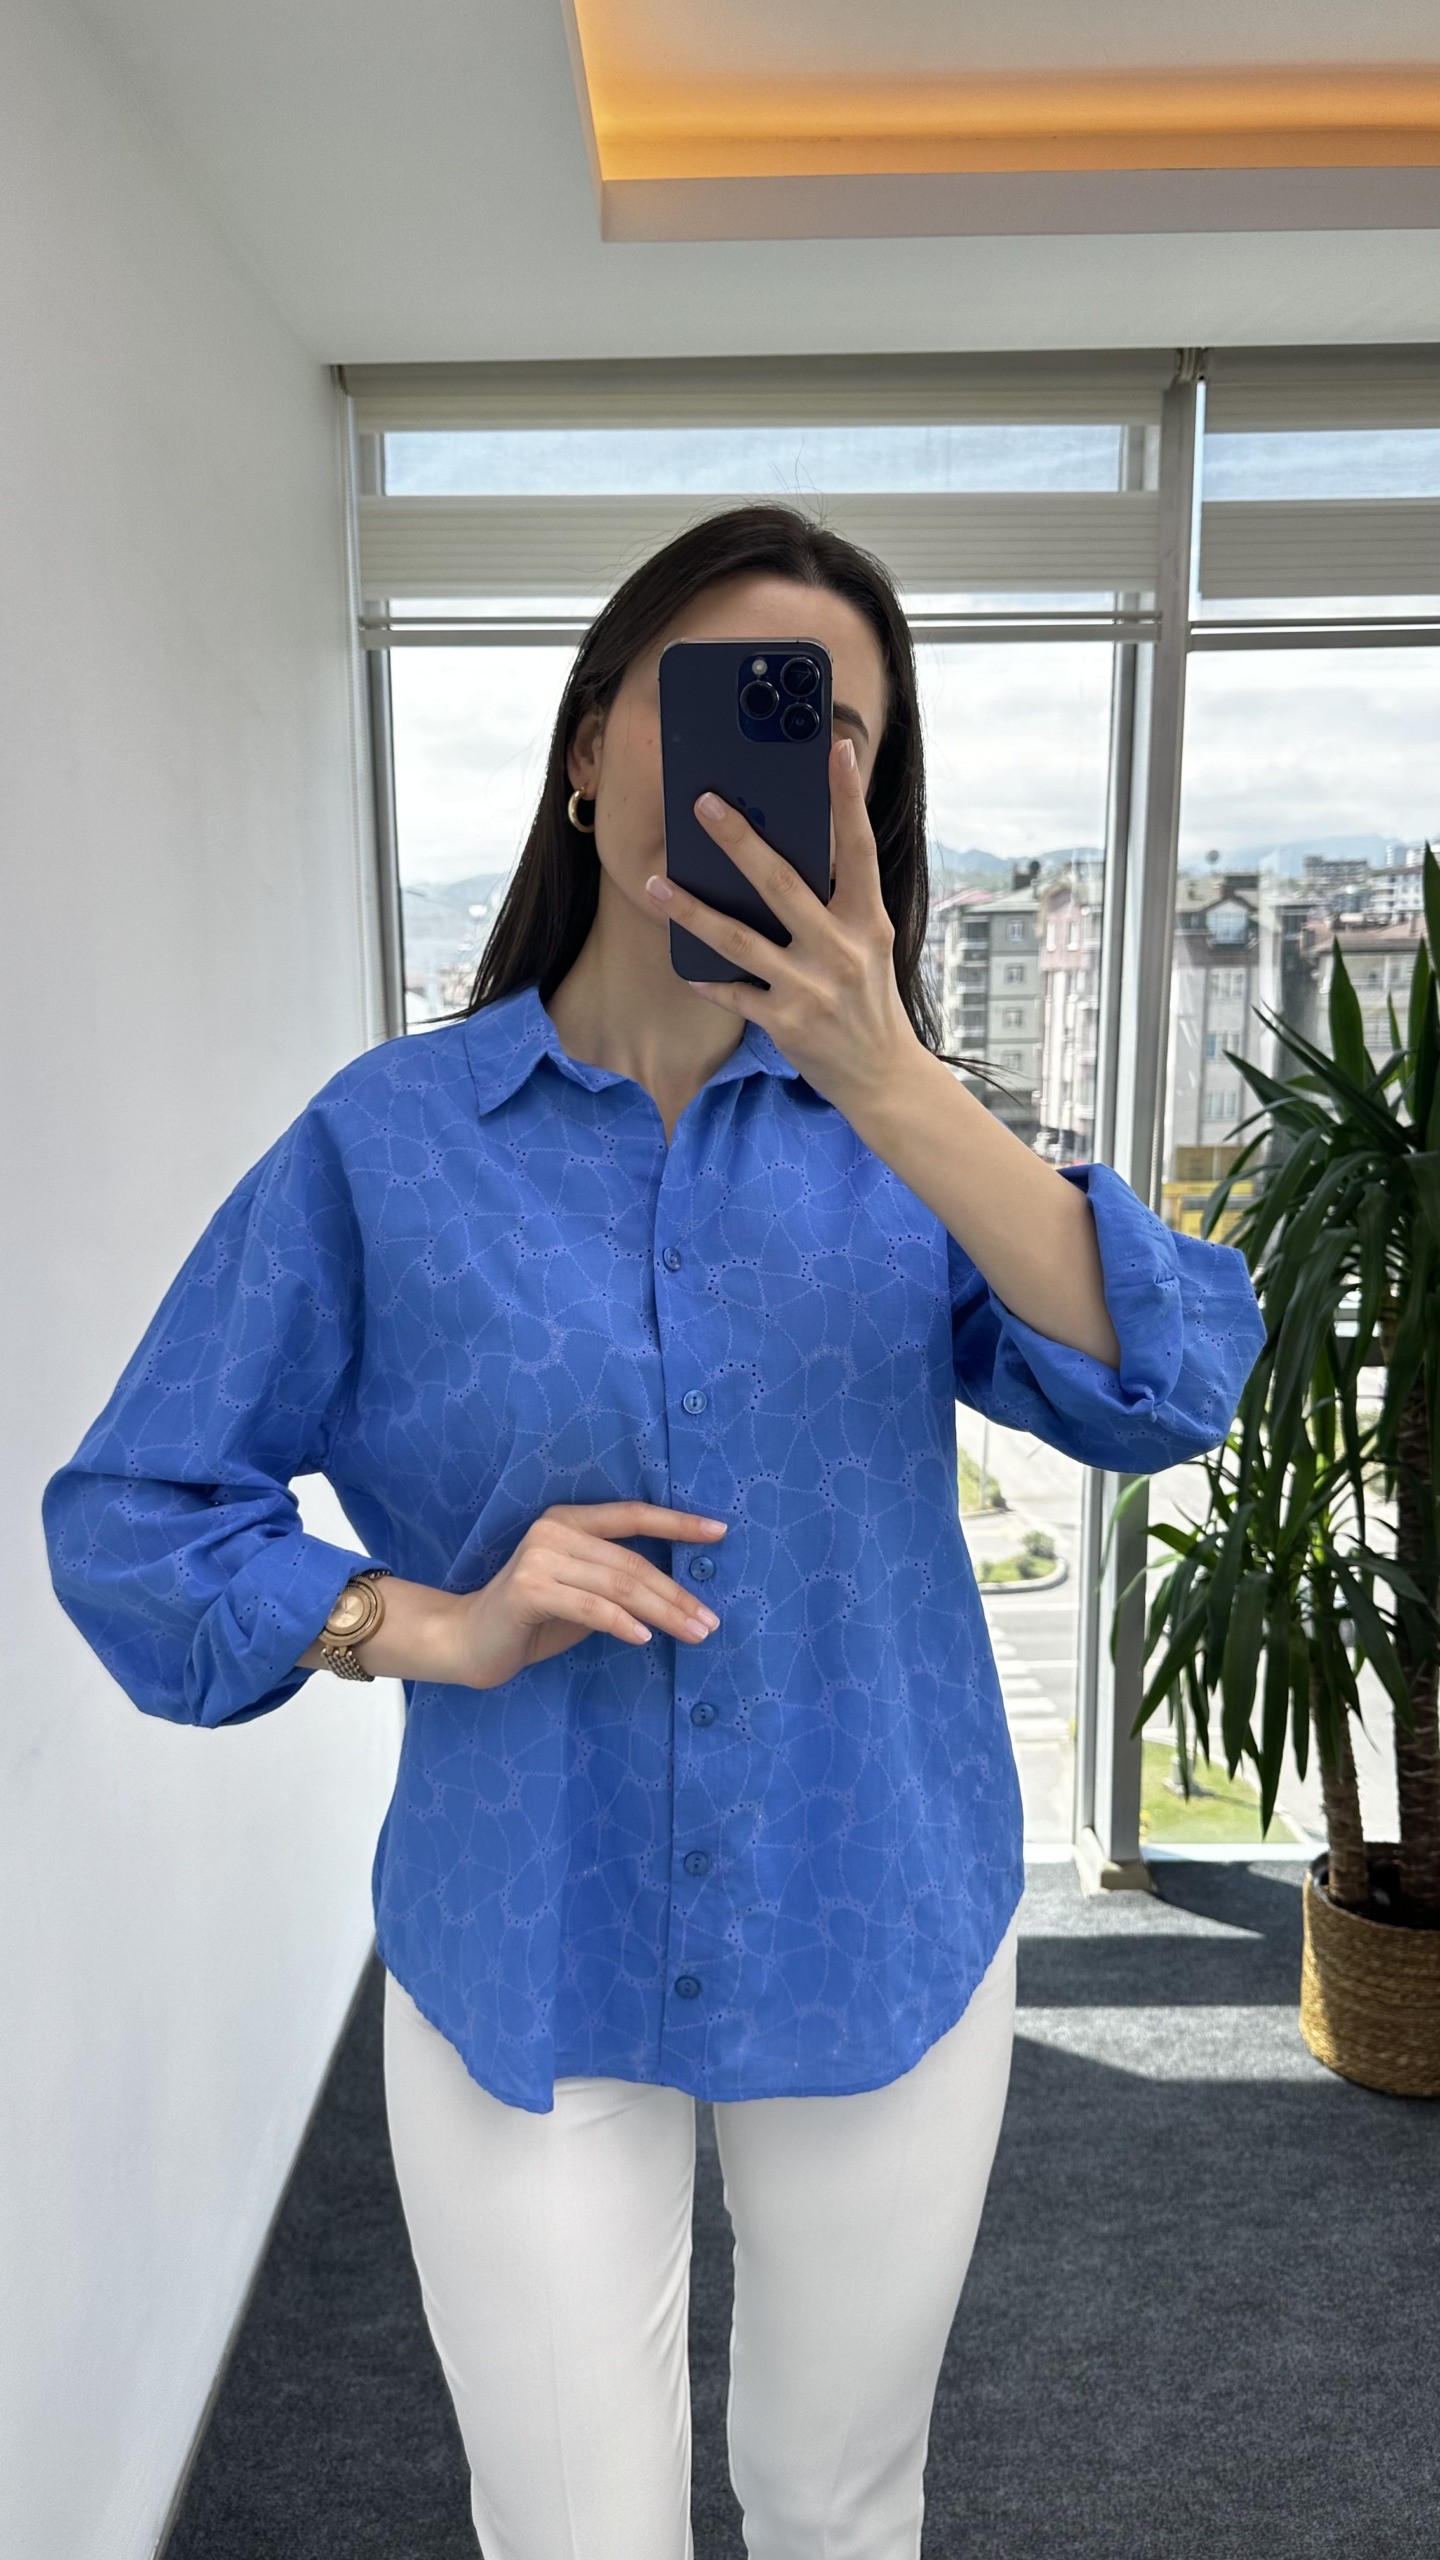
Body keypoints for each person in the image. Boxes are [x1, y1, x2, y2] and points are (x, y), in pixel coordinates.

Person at [42, 504, 1267, 2560]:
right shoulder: (386, 1145)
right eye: (716, 697)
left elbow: (1177, 1378)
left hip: (877, 1898)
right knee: (570, 2529)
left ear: (871, 803)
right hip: (525, 1925)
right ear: (591, 742)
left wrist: (889, 1077)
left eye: (830, 730)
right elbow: (133, 1513)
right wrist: (420, 1620)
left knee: (837, 2501)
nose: (768, 759)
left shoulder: (912, 1144)